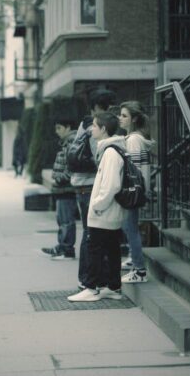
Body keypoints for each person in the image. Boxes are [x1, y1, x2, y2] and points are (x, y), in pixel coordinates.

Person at [68, 112, 128, 302]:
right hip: (109, 211)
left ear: (103, 129)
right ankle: (112, 287)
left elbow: (111, 185)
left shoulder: (110, 152)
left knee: (95, 248)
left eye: (94, 126)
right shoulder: (112, 150)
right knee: (111, 248)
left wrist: (96, 206)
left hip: (104, 211)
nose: (91, 129)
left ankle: (91, 288)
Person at [71, 89, 116, 290]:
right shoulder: (93, 128)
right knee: (92, 234)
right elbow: (99, 158)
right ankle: (88, 279)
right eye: (108, 108)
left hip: (82, 185)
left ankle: (89, 277)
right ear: (100, 108)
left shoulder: (84, 124)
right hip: (89, 185)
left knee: (90, 233)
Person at [117, 101, 154, 283]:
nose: (120, 118)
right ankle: (134, 259)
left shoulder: (133, 140)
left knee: (130, 228)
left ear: (134, 119)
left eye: (124, 116)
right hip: (137, 191)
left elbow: (133, 170)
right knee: (130, 227)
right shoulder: (136, 138)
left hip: (132, 192)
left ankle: (139, 270)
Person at [41, 119, 78, 259]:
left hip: (66, 188)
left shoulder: (71, 142)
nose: (57, 132)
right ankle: (64, 247)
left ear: (68, 127)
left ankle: (66, 249)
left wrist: (58, 177)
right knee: (63, 219)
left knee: (66, 220)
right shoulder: (68, 141)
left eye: (59, 128)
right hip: (64, 188)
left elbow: (71, 168)